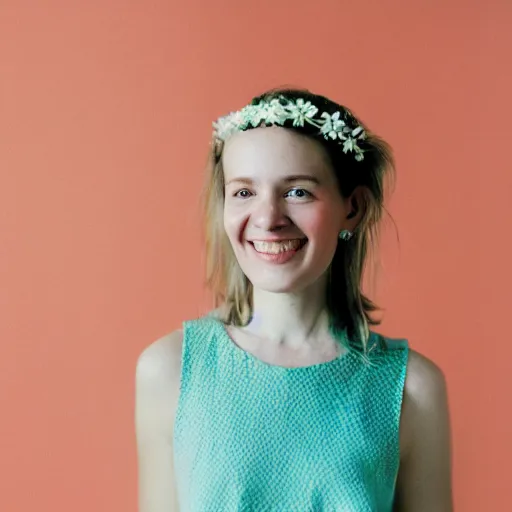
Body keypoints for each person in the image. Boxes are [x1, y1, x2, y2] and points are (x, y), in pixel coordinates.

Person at [135, 87, 453, 511]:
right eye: (244, 192)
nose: (268, 218)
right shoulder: (170, 371)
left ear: (352, 208)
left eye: (298, 192)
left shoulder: (412, 389)